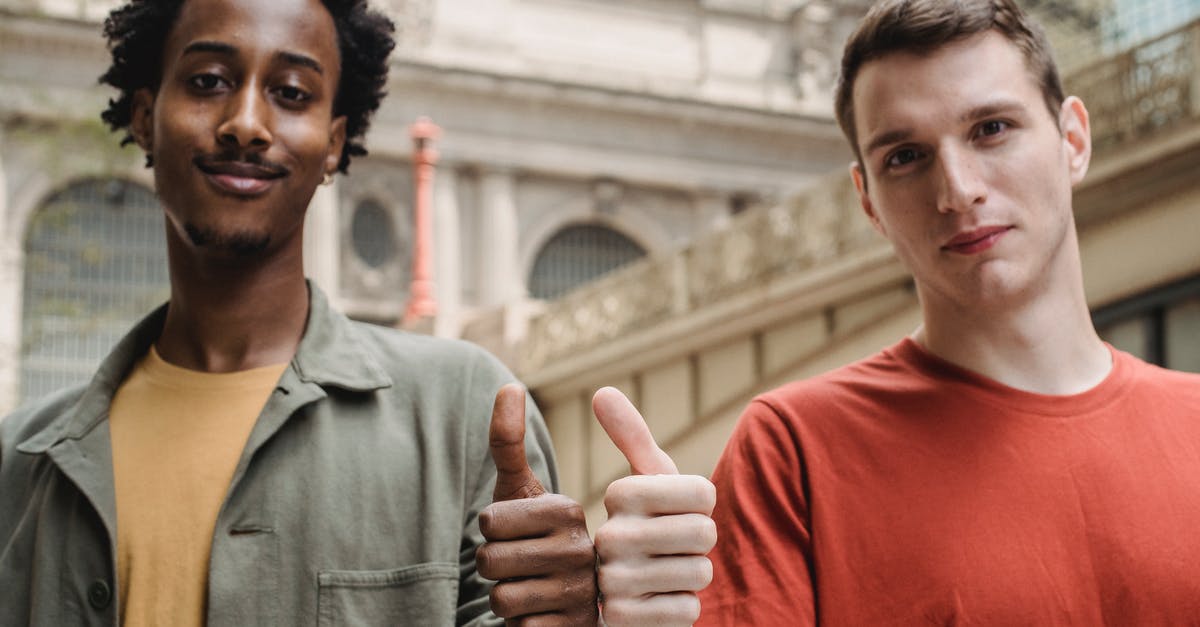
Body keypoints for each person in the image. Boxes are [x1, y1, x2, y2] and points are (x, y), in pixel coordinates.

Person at [0, 0, 594, 624]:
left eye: (290, 92)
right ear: (146, 117)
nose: (246, 123)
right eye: (208, 82)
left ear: (335, 143)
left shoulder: (465, 412)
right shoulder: (19, 463)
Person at [695, 0, 1200, 623]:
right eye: (905, 157)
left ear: (1073, 140)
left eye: (992, 128)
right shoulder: (791, 451)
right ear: (869, 202)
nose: (958, 190)